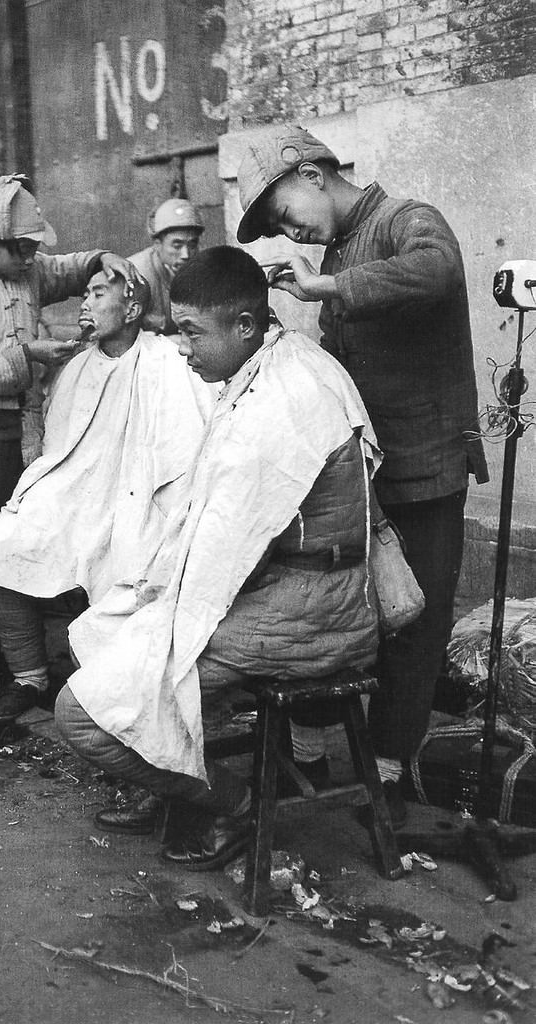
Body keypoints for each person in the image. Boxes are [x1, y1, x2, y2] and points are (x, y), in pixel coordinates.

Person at [55, 247, 381, 868]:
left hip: (312, 609)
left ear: (246, 326)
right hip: (282, 588)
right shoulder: (269, 366)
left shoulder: (286, 396)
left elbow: (230, 547)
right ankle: (163, 775)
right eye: (177, 330)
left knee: (80, 714)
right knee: (106, 630)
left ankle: (233, 803)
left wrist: (166, 605)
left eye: (192, 332)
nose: (180, 346)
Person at [235, 125, 488, 825]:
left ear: (313, 174)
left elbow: (434, 270)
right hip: (357, 473)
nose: (290, 230)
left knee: (416, 621)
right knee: (334, 606)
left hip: (424, 467)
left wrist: (330, 286)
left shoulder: (408, 219)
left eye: (285, 211)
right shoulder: (339, 248)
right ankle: (310, 755)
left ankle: (385, 775)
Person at [0, 172, 144, 689]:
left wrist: (98, 260)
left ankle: (18, 666)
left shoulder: (23, 269)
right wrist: (27, 355)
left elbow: (64, 270)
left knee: (17, 543)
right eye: (21, 250)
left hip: (16, 428)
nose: (30, 259)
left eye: (31, 249)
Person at [0, 269, 214, 725]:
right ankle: (31, 677)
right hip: (77, 492)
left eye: (98, 293)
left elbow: (185, 446)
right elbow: (60, 449)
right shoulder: (76, 367)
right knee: (0, 543)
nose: (85, 303)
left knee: (130, 553)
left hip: (142, 494)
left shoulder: (167, 359)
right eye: (84, 293)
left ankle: (112, 693)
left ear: (131, 310)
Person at [127, 197, 204, 335]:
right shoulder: (136, 275)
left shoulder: (200, 271)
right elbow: (121, 338)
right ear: (158, 244)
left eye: (192, 244)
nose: (186, 254)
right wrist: (167, 343)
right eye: (177, 246)